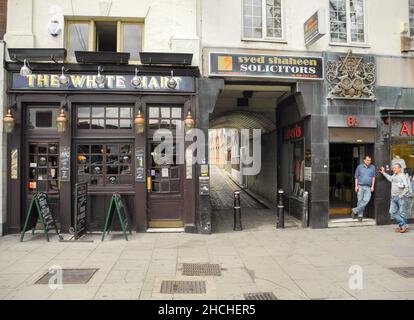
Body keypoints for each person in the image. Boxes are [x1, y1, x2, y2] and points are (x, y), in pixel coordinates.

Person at [380, 164, 410, 233]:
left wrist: (401, 195)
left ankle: (402, 227)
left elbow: (407, 187)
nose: (394, 169)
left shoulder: (402, 176)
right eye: (393, 168)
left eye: (395, 168)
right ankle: (404, 225)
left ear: (399, 169)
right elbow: (390, 178)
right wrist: (383, 172)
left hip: (401, 197)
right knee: (392, 212)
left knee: (402, 213)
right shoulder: (394, 175)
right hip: (393, 197)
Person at [352, 156, 376, 222]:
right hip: (360, 186)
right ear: (364, 160)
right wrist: (356, 186)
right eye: (368, 160)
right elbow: (356, 177)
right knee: (360, 201)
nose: (369, 161)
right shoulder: (359, 167)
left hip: (368, 187)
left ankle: (355, 210)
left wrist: (372, 186)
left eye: (370, 160)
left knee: (366, 200)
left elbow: (373, 177)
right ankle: (360, 216)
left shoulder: (373, 167)